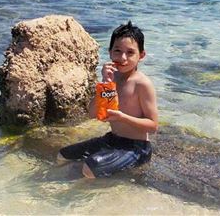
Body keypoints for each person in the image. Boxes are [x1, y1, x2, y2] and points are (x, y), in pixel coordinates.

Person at [58, 21, 158, 178]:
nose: (123, 57)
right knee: (63, 155)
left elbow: (152, 126)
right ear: (110, 52)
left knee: (91, 167)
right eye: (117, 51)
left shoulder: (142, 84)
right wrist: (105, 82)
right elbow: (92, 113)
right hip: (113, 140)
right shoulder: (112, 79)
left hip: (136, 148)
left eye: (130, 53)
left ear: (141, 55)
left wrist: (122, 117)